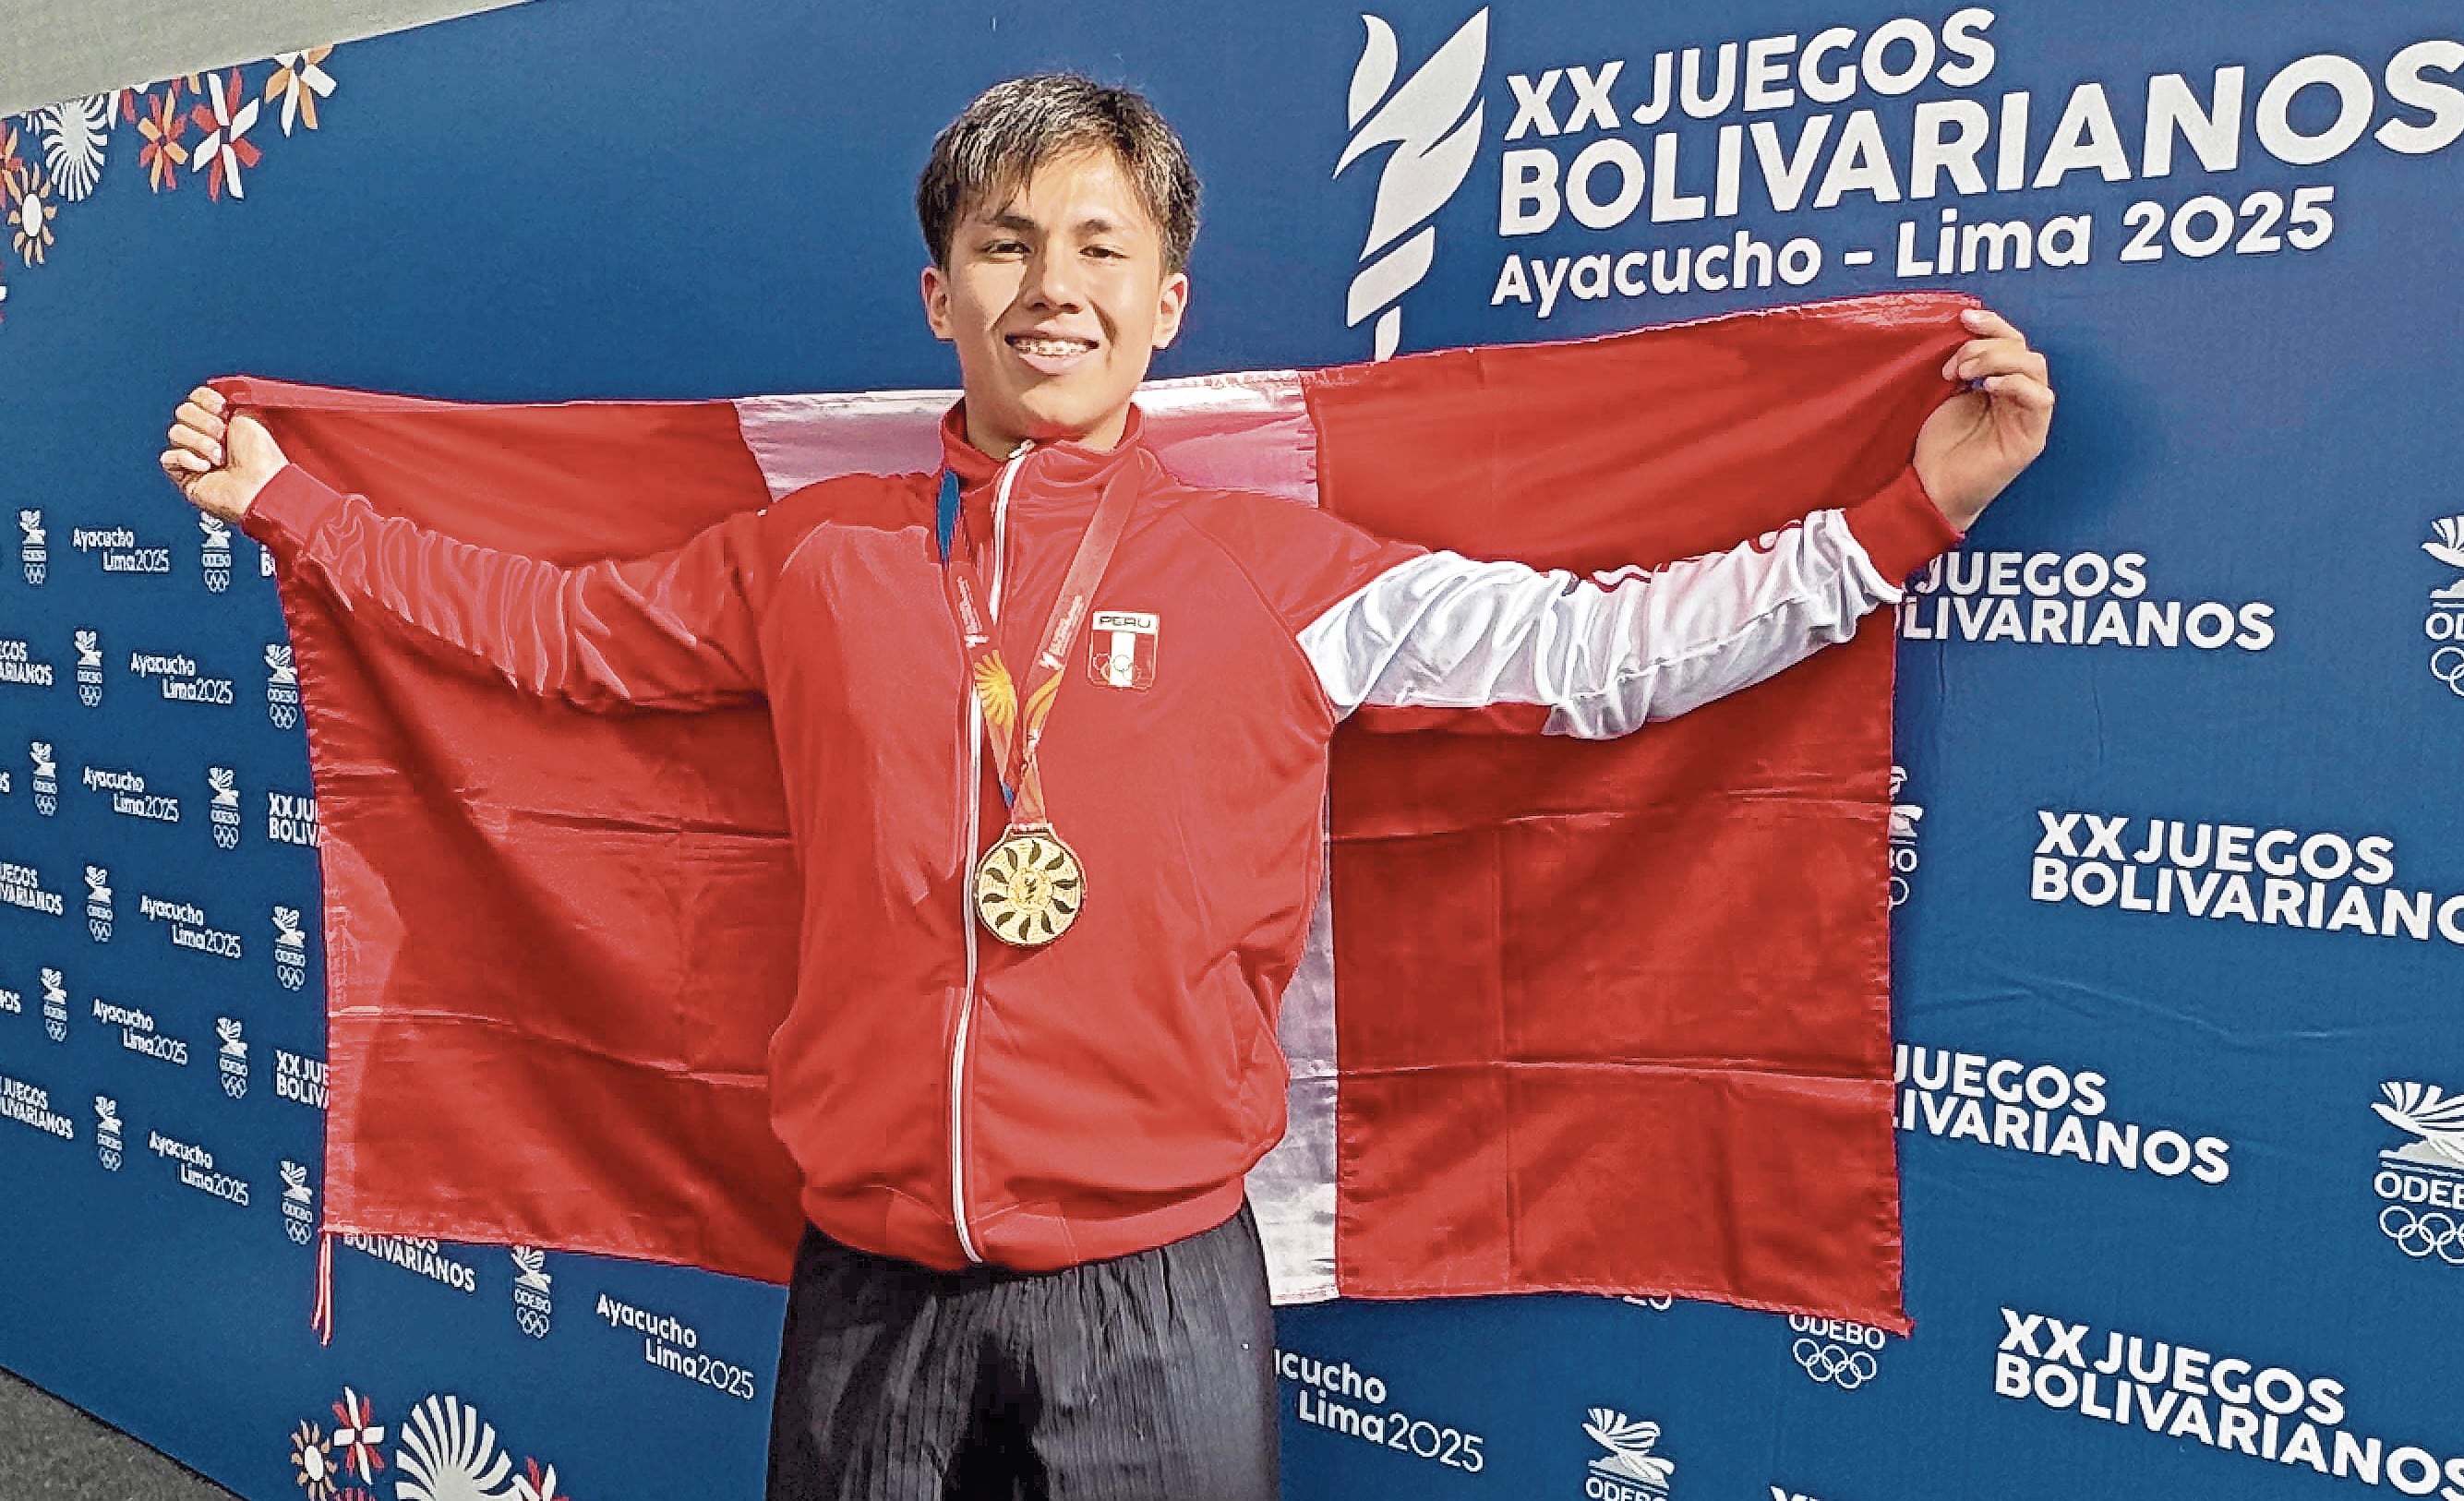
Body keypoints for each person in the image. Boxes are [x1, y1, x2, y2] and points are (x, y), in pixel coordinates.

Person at [162, 72, 2051, 1501]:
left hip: (1156, 1288)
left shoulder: (1278, 571)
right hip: (867, 1280)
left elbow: (1604, 657)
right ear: (935, 297)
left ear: (1167, 304)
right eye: (1003, 246)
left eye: (1095, 251)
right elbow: (548, 636)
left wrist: (1910, 510)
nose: (1046, 290)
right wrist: (294, 508)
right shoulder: (812, 554)